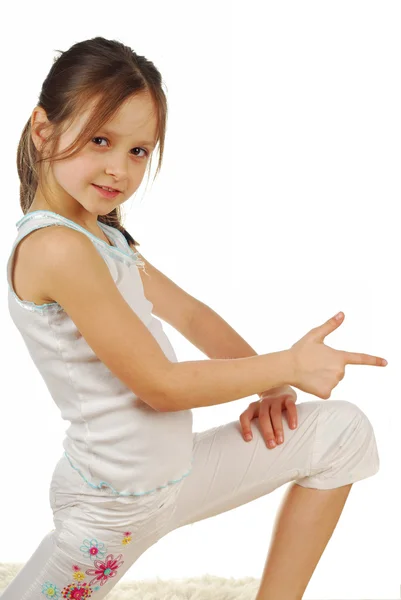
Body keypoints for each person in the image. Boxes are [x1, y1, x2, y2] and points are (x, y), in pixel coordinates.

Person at [2, 36, 387, 600]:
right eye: (100, 139)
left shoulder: (101, 234)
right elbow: (160, 387)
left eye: (138, 151)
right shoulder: (54, 249)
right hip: (111, 513)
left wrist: (275, 383)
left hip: (177, 479)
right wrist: (289, 362)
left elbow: (190, 314)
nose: (119, 168)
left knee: (342, 434)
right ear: (43, 130)